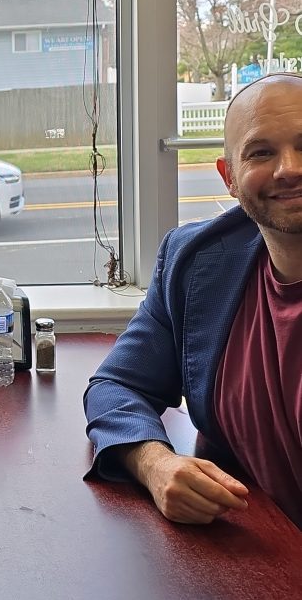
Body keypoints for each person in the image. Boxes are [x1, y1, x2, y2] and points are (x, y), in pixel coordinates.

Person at [84, 72, 302, 529]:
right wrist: (156, 464)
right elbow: (117, 387)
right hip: (249, 548)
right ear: (229, 177)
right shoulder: (196, 259)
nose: (288, 168)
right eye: (261, 152)